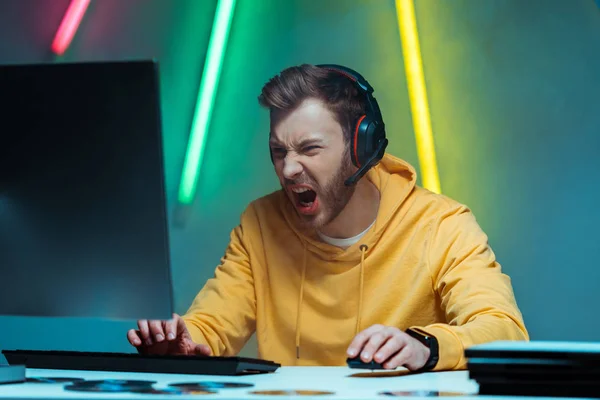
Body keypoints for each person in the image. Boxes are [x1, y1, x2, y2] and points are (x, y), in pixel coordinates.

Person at [127, 64, 528, 372]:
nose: (288, 169)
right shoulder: (260, 224)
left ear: (361, 146)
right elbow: (213, 324)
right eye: (279, 151)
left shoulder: (442, 224)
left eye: (309, 148)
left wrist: (425, 346)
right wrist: (184, 343)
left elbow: (504, 331)